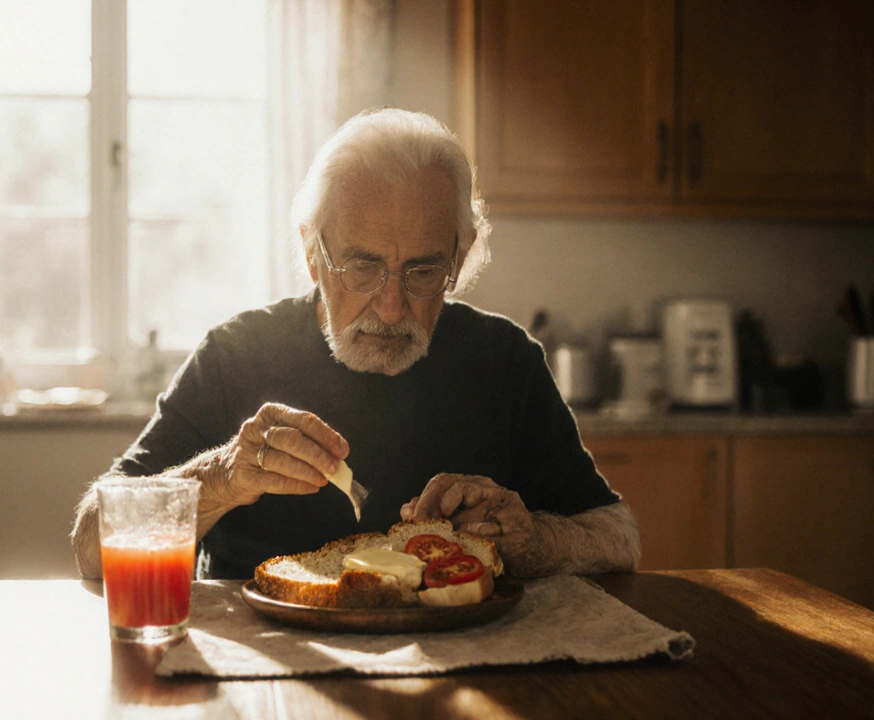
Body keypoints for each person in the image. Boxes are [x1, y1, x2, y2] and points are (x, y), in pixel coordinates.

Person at [72, 108, 640, 580]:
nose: (391, 309)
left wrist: (533, 538)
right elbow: (91, 547)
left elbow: (618, 537)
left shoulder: (504, 359)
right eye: (361, 268)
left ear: (458, 260)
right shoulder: (235, 355)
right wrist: (219, 478)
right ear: (313, 254)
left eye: (421, 273)